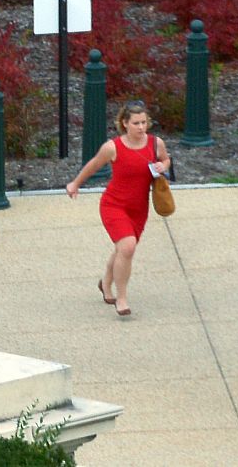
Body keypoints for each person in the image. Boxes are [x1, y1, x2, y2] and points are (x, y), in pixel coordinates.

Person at [66, 102, 170, 316]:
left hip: (139, 208)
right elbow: (94, 164)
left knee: (123, 249)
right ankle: (121, 298)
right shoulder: (112, 147)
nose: (141, 127)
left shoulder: (155, 143)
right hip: (114, 205)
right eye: (136, 123)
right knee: (128, 247)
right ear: (125, 123)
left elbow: (166, 159)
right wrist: (75, 184)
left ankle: (106, 283)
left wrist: (164, 166)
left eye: (144, 122)